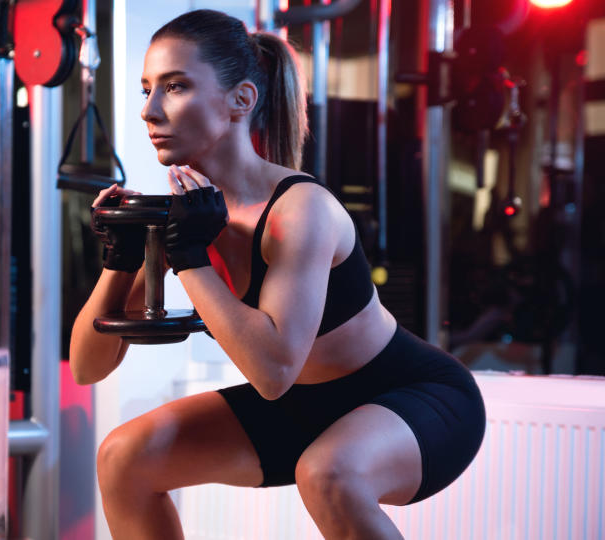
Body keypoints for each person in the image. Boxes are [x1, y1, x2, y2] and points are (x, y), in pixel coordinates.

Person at [69, 9, 485, 539]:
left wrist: (190, 256)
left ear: (242, 99)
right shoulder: (192, 216)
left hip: (414, 395)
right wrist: (122, 259)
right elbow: (87, 364)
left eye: (174, 87)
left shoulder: (299, 210)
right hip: (303, 407)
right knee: (125, 456)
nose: (150, 110)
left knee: (329, 475)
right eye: (146, 89)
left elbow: (272, 372)